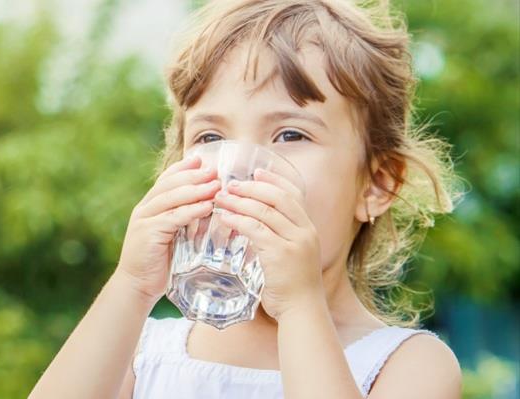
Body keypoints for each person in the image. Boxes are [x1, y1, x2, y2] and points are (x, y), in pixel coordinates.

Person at [29, 0, 465, 398]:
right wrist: (132, 285)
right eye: (210, 137)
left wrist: (298, 307)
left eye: (291, 134)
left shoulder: (408, 364)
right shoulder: (141, 353)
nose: (242, 170)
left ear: (377, 184)